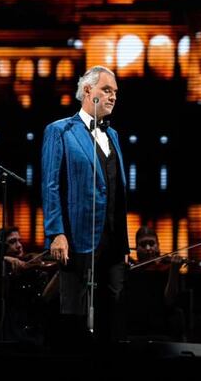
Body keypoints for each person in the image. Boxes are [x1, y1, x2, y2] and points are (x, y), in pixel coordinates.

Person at [42, 65, 129, 348]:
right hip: (78, 238)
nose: (113, 96)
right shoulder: (60, 130)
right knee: (75, 314)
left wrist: (124, 246)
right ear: (87, 91)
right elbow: (51, 185)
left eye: (115, 92)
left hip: (114, 241)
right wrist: (57, 232)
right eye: (107, 90)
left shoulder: (113, 135)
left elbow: (117, 191)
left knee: (112, 312)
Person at [127, 226, 186, 341]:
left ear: (158, 246)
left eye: (151, 243)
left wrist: (173, 271)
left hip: (162, 330)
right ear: (136, 248)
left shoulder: (166, 269)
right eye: (143, 245)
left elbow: (170, 302)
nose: (148, 248)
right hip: (135, 330)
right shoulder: (131, 271)